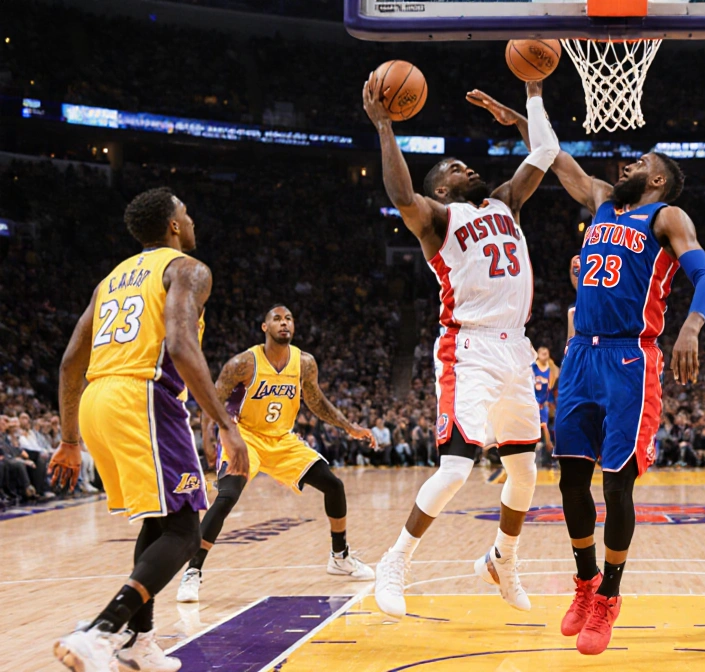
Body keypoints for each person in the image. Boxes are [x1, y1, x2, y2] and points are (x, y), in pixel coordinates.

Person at [466, 88, 705, 654]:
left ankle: (610, 595)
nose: (628, 165)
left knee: (616, 481)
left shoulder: (667, 216)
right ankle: (584, 582)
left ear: (658, 179)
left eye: (641, 162)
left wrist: (691, 328)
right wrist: (520, 116)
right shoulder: (603, 199)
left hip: (632, 356)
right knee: (571, 478)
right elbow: (555, 157)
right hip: (581, 352)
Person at [364, 77, 558, 617]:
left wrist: (530, 98)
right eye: (454, 168)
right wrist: (384, 126)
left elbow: (545, 151)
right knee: (455, 468)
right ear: (442, 191)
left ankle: (502, 559)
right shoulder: (439, 219)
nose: (466, 168)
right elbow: (402, 196)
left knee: (525, 471)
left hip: (516, 348)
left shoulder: (505, 202)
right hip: (468, 347)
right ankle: (395, 560)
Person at [48, 187, 251, 672]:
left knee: (160, 521)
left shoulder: (111, 280)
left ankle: (139, 642)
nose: (192, 219)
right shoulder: (187, 269)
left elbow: (71, 361)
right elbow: (180, 345)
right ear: (174, 226)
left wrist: (70, 439)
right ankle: (102, 631)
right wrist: (225, 424)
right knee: (185, 532)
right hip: (144, 396)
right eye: (187, 212)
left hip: (98, 399)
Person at [175, 305, 377, 604]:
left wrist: (349, 427)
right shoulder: (244, 363)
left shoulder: (304, 363)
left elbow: (316, 401)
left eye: (289, 319)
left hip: (282, 440)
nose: (284, 323)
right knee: (227, 497)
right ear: (265, 327)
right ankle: (193, 570)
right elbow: (211, 400)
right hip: (245, 437)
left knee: (334, 486)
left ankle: (340, 557)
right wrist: (208, 442)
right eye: (277, 319)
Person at [532, 346, 558, 466]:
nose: (544, 355)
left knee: (546, 427)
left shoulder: (551, 369)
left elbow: (552, 387)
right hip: (532, 402)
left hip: (544, 403)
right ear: (537, 354)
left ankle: (549, 455)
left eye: (546, 353)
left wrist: (549, 402)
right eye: (542, 353)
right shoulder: (532, 367)